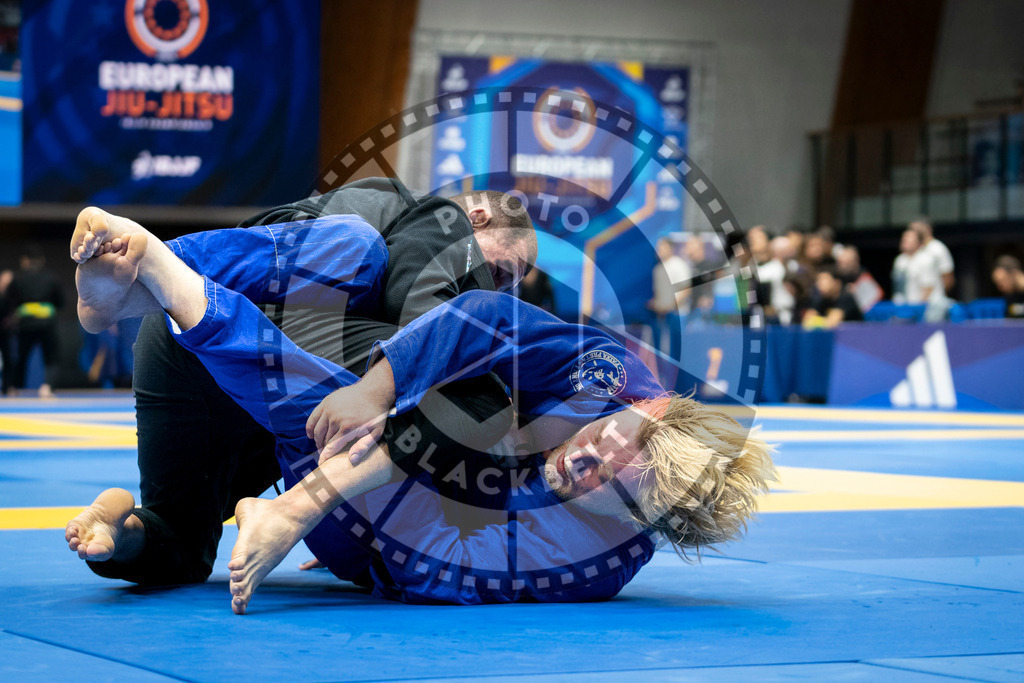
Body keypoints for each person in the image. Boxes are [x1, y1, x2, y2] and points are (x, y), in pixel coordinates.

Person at [65, 214, 776, 613]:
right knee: (445, 390)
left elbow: (444, 561)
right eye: (607, 444)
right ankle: (151, 274)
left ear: (639, 526)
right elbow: (483, 319)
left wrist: (324, 495)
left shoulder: (595, 558)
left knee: (337, 431)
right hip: (334, 394)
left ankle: (127, 521)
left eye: (610, 491)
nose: (586, 464)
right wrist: (375, 399)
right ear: (643, 408)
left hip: (377, 519)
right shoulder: (613, 374)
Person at [65, 177, 537, 588]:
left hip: (192, 345)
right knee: (364, 254)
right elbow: (423, 318)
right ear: (475, 217)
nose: (496, 288)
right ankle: (143, 268)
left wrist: (339, 518)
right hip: (254, 307)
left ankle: (122, 532)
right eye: (501, 272)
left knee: (183, 546)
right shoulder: (441, 221)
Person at [6, 245, 64, 397]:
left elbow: (8, 301)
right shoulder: (52, 277)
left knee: (21, 356)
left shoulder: (17, 278)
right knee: (51, 357)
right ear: (42, 261)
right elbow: (60, 302)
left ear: (24, 261)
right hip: (47, 323)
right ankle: (47, 387)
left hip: (26, 323)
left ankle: (14, 388)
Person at [647, 238, 690, 356]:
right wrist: (655, 304)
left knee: (677, 352)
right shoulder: (658, 269)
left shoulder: (678, 264)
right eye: (658, 247)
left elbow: (686, 289)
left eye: (662, 246)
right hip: (662, 317)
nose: (658, 249)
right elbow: (659, 294)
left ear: (670, 248)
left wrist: (669, 306)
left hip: (677, 315)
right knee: (663, 351)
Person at [909, 218, 955, 298]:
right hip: (917, 302)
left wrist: (940, 296)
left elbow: (948, 277)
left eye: (917, 229)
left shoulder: (937, 248)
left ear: (928, 229)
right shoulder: (917, 250)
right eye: (912, 229)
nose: (913, 232)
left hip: (934, 302)